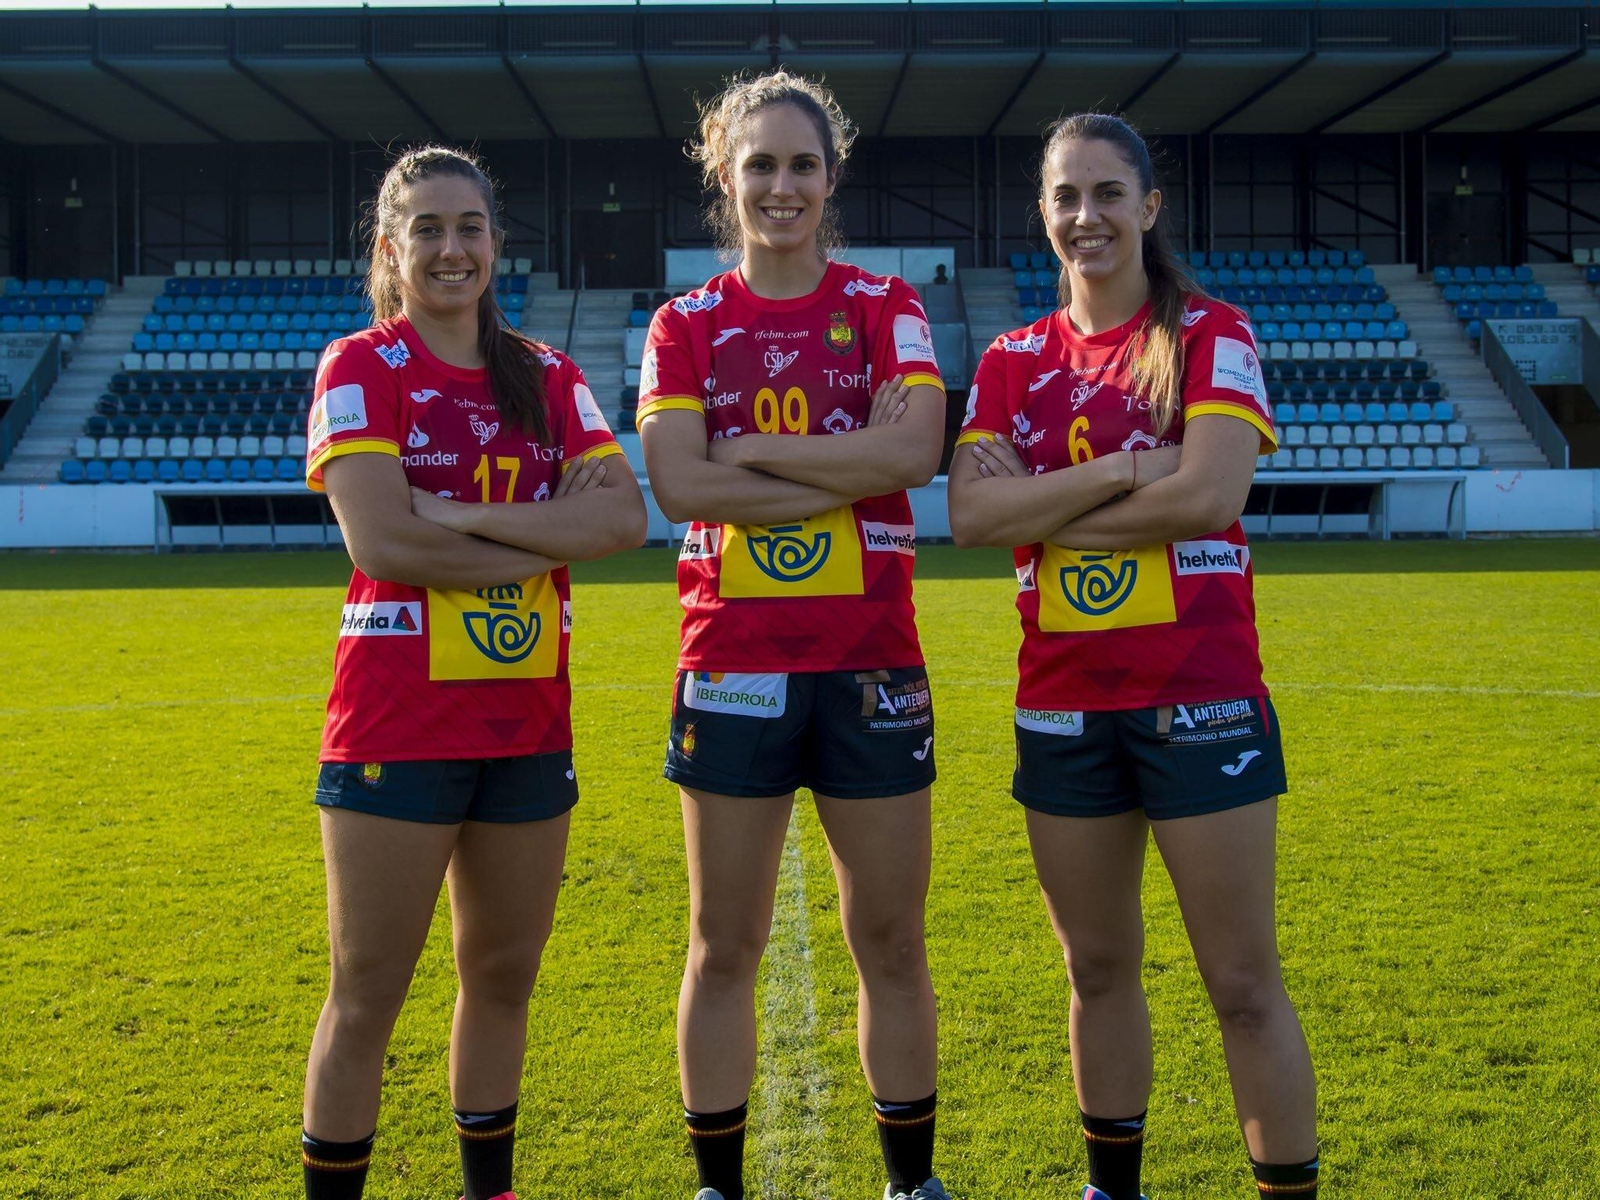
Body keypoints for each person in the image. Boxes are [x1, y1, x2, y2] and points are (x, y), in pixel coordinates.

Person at [946, 113, 1318, 1200]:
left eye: (1107, 194)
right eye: (1065, 197)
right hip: (1063, 708)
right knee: (1095, 969)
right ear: (1044, 213)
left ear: (1147, 208)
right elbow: (970, 515)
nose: (1084, 217)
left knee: (1243, 983)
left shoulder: (1210, 332)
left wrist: (1043, 507)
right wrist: (1120, 475)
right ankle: (1113, 1189)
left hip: (1200, 700)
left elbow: (1207, 495)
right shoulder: (1015, 360)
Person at [299, 145, 646, 1200]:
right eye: (428, 230)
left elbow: (623, 519)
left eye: (471, 228)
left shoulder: (547, 376)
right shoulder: (359, 366)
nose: (452, 250)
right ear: (390, 248)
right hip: (395, 726)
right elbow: (383, 545)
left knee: (501, 977)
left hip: (527, 726)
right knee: (368, 992)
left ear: (496, 242)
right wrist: (546, 538)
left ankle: (486, 1189)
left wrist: (459, 515)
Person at [636, 70, 952, 1200]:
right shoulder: (686, 324)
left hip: (872, 665)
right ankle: (718, 1186)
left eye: (801, 163)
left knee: (892, 943)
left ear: (832, 175)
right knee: (723, 947)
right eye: (759, 164)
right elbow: (675, 484)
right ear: (725, 176)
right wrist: (842, 461)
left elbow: (915, 454)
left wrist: (742, 462)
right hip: (731, 666)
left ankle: (909, 1183)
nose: (781, 186)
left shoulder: (884, 307)